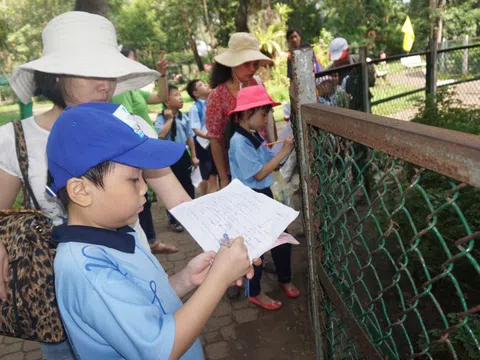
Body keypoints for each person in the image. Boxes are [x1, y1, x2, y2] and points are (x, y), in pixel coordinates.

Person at [0, 11, 191, 359]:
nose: (105, 85)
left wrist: (232, 235)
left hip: (133, 283)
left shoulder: (130, 126)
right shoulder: (15, 140)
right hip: (56, 304)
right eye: (91, 72)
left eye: (110, 73)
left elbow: (178, 199)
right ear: (56, 75)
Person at [48, 102, 258, 359]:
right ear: (80, 191)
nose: (144, 189)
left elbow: (142, 302)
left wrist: (185, 280)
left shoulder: (119, 234)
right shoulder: (87, 271)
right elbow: (161, 349)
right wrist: (219, 279)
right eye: (133, 179)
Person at [206, 32, 275, 298]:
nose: (252, 69)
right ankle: (232, 278)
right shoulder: (218, 95)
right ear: (231, 63)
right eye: (246, 63)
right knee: (236, 230)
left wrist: (272, 149)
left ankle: (255, 269)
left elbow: (266, 120)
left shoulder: (257, 83)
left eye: (254, 63)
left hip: (258, 162)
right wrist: (224, 178)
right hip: (234, 167)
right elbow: (214, 139)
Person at [227, 85, 300, 310]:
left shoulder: (253, 135)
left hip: (263, 196)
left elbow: (269, 159)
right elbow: (259, 173)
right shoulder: (238, 142)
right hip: (250, 199)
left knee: (281, 239)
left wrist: (281, 153)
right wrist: (284, 152)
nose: (267, 118)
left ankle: (283, 278)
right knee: (255, 247)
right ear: (247, 114)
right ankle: (255, 292)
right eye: (263, 113)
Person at [111, 46, 178, 254]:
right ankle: (145, 245)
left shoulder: (135, 91)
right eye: (130, 61)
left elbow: (161, 96)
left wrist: (163, 74)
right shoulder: (114, 92)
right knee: (137, 199)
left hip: (146, 151)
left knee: (144, 198)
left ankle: (150, 241)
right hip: (132, 153)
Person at [155, 85, 198, 232]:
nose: (180, 97)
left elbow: (189, 137)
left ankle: (191, 214)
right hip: (168, 158)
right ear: (166, 102)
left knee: (187, 186)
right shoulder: (161, 118)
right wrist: (169, 119)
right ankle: (174, 219)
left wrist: (194, 155)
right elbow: (160, 135)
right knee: (171, 189)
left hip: (182, 155)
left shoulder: (183, 117)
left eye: (180, 94)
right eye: (176, 95)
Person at [186, 79, 217, 195]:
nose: (205, 85)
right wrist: (207, 136)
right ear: (196, 93)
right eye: (201, 85)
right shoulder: (195, 108)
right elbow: (195, 129)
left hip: (212, 140)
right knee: (205, 171)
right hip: (202, 143)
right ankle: (205, 194)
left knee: (213, 169)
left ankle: (214, 191)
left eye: (204, 83)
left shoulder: (212, 102)